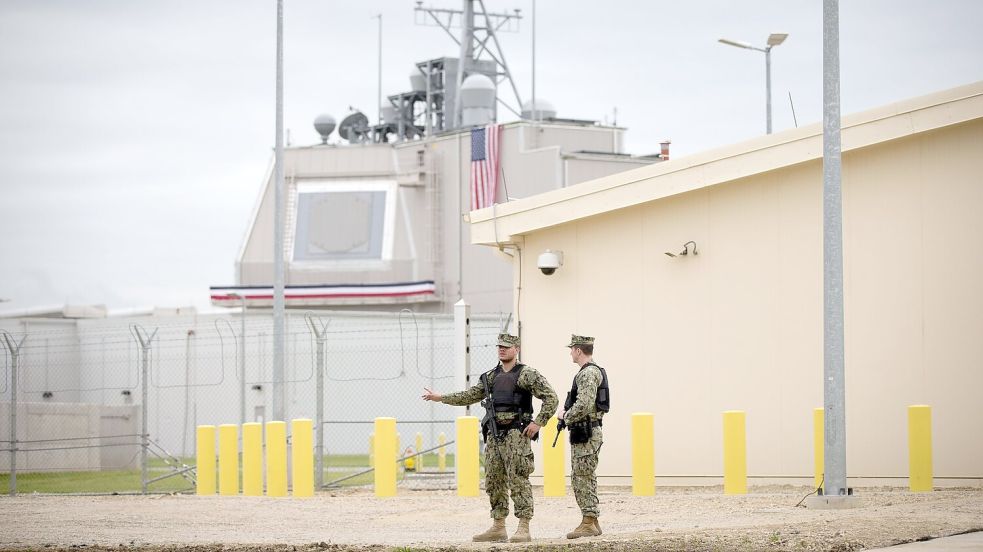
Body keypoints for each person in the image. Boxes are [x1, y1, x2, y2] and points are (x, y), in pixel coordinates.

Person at [422, 333, 558, 543]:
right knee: (494, 479)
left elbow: (551, 398)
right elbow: (469, 396)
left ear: (516, 349)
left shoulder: (527, 374)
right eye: (499, 347)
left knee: (518, 478)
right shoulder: (490, 377)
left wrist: (538, 422)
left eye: (506, 346)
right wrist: (441, 398)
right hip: (495, 435)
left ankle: (523, 526)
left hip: (517, 432)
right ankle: (498, 526)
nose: (502, 349)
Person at [558, 334, 610, 539]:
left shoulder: (587, 374)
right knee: (584, 474)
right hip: (585, 431)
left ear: (579, 350)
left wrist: (565, 416)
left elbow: (584, 404)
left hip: (587, 432)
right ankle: (592, 520)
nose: (571, 352)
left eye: (572, 349)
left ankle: (588, 521)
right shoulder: (591, 372)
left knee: (581, 476)